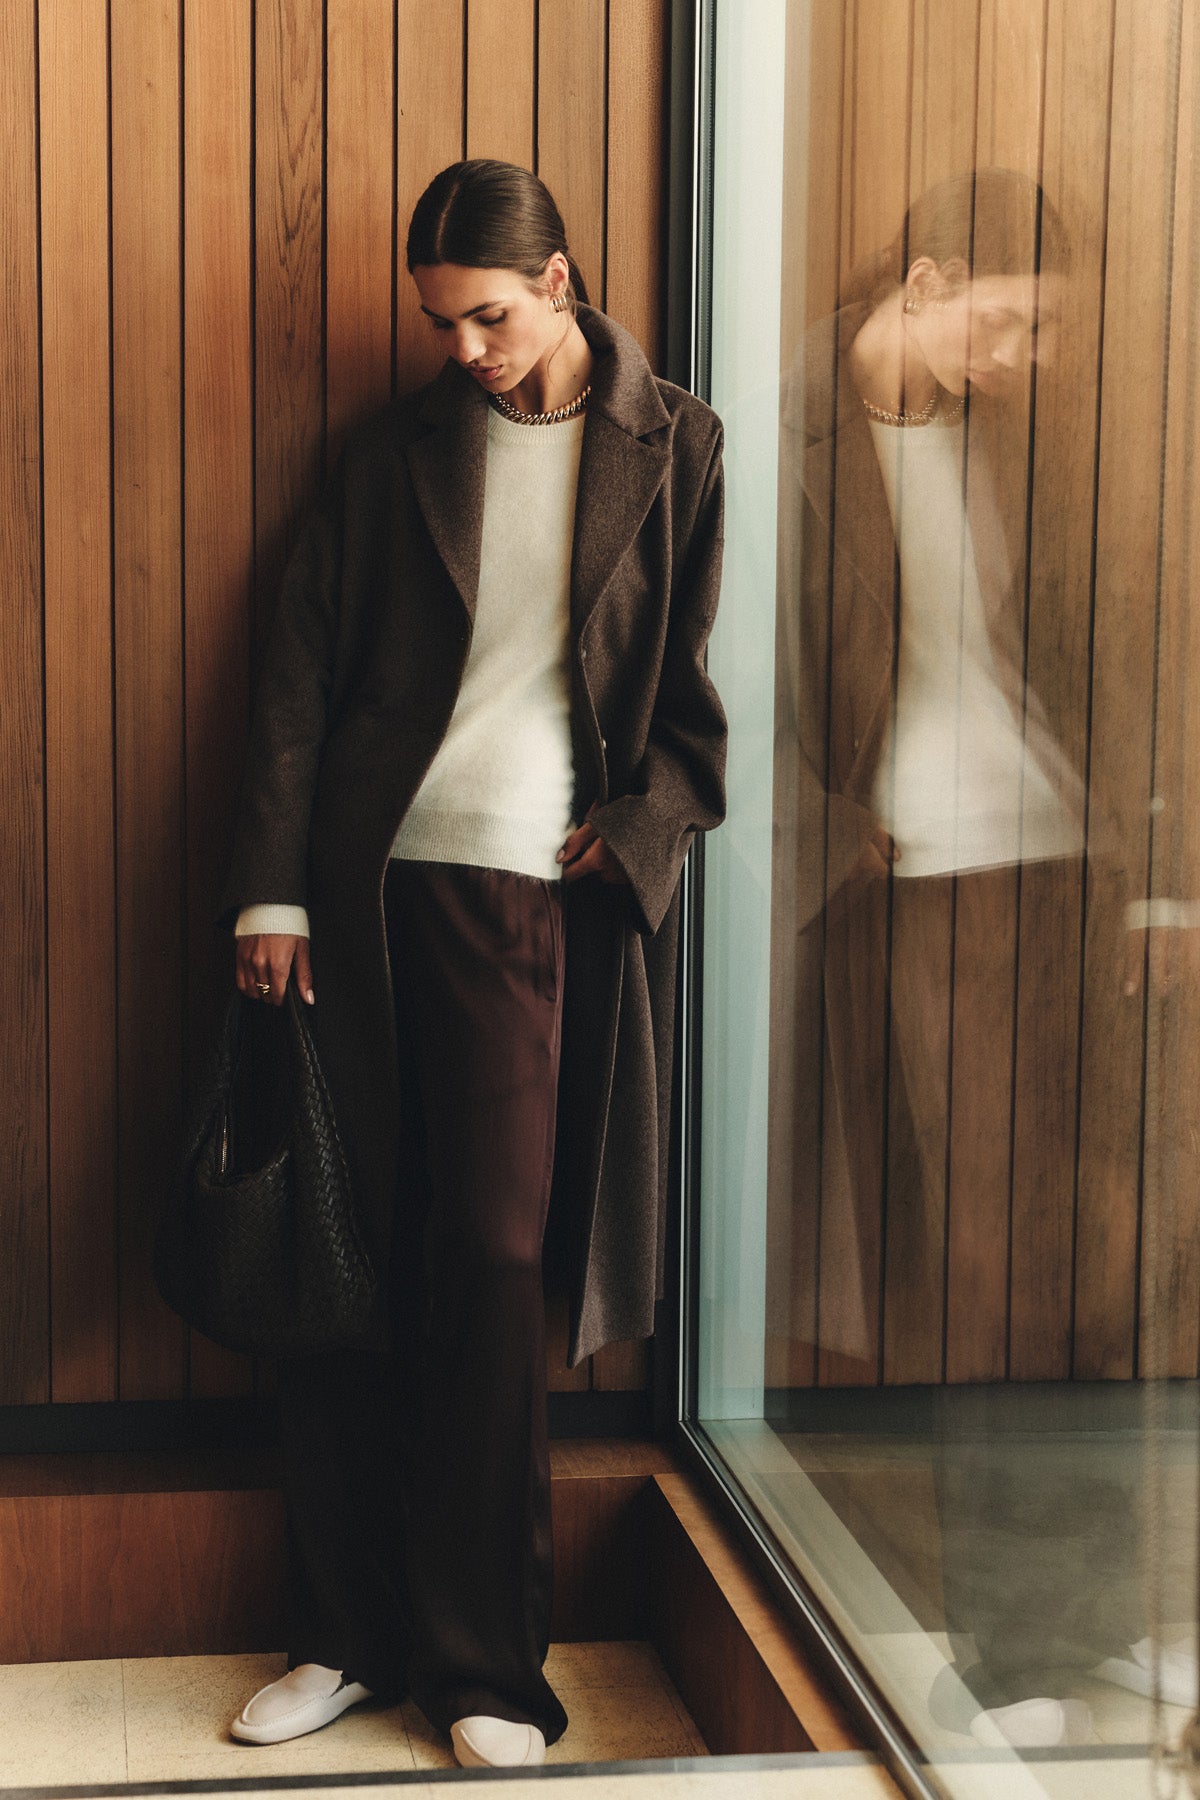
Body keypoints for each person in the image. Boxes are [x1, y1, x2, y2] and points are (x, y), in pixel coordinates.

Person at [215, 159, 726, 1768]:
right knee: (344, 1266)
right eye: (441, 322)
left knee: (498, 1271)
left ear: (561, 284)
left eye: (488, 316)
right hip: (363, 901)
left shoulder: (678, 443)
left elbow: (699, 720)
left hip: (531, 904)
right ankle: (345, 1639)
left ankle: (489, 1667)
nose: (463, 349)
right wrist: (272, 899)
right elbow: (299, 681)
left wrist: (638, 837)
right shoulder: (396, 457)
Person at [781, 167, 1178, 1749]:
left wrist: (1160, 882)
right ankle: (1009, 1648)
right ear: (929, 276)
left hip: (1070, 880)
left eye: (1043, 337)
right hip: (924, 894)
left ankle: (1101, 1625)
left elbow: (1124, 639)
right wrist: (832, 834)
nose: (1030, 362)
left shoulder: (1020, 431)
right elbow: (735, 687)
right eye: (1009, 325)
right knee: (987, 1286)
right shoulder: (790, 439)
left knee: (1111, 1268)